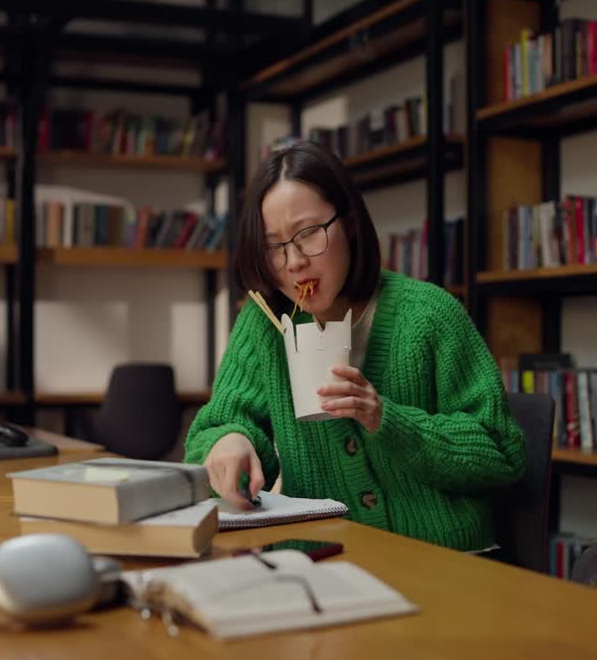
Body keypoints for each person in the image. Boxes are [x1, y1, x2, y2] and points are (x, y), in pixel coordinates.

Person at [184, 141, 525, 552]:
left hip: (441, 561)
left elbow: (502, 455)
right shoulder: (266, 322)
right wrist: (230, 442)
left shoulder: (429, 315)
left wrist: (388, 420)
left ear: (348, 223)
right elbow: (214, 430)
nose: (294, 262)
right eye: (275, 246)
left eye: (308, 234)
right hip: (322, 561)